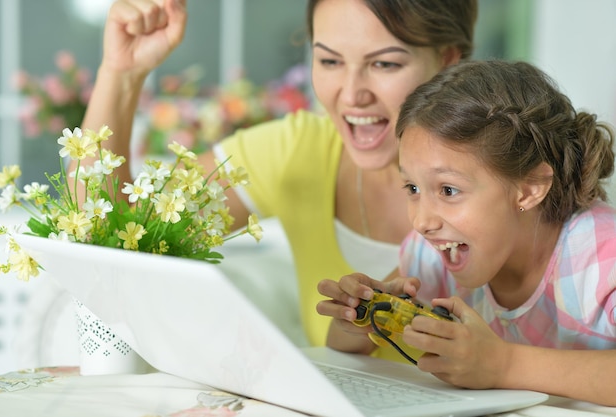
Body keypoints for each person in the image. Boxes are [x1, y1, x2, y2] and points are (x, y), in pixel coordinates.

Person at [77, 0, 477, 349]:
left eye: (385, 63)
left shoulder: (506, 172)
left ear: (448, 60)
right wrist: (120, 73)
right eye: (330, 61)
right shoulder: (298, 151)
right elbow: (114, 235)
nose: (353, 94)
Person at [316, 59, 616, 405]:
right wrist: (359, 319)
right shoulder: (436, 255)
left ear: (530, 188)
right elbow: (342, 348)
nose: (422, 221)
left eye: (448, 190)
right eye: (412, 188)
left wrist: (502, 365)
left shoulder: (601, 258)